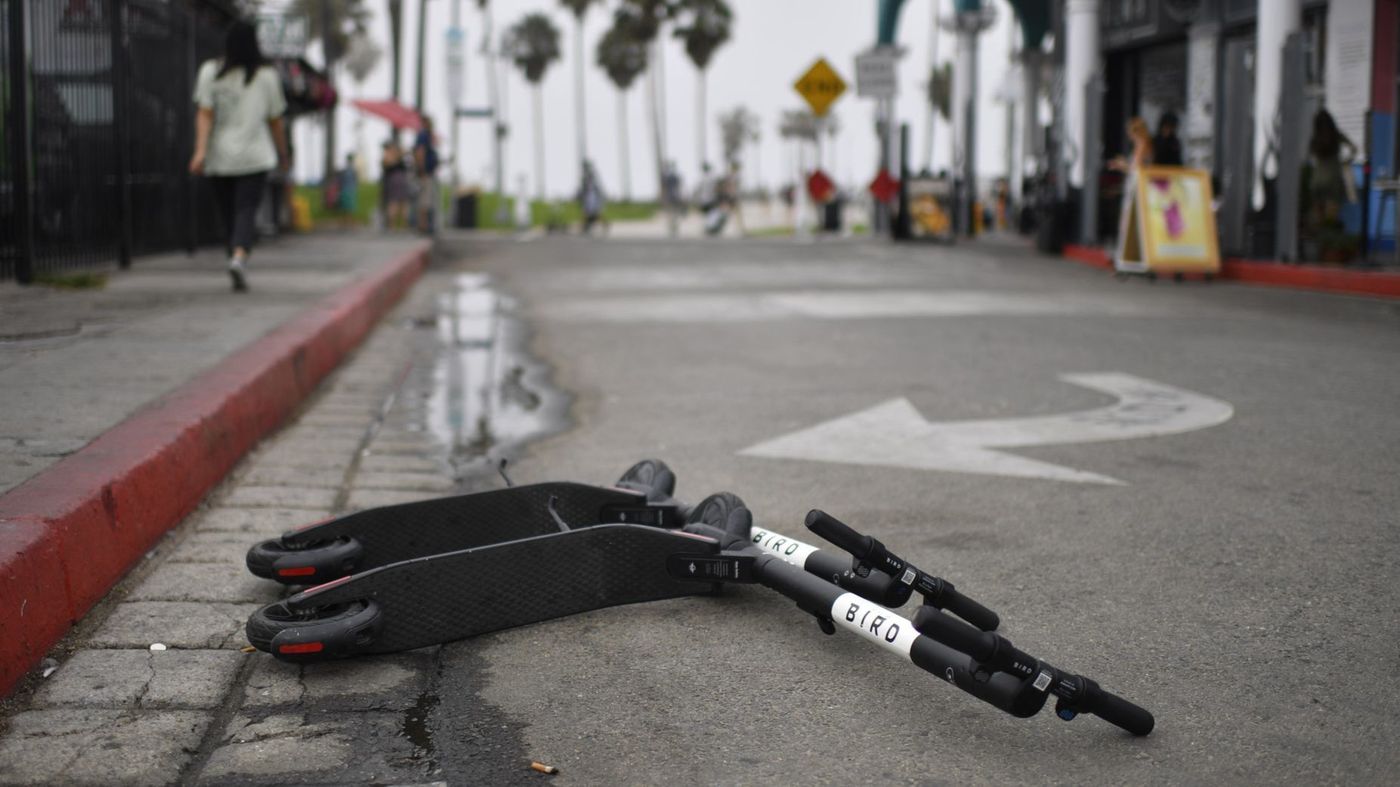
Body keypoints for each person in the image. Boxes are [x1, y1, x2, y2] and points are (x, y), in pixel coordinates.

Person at [189, 21, 288, 292]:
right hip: (254, 157)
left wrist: (199, 152)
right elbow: (276, 121)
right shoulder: (267, 76)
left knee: (229, 214)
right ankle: (239, 257)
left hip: (220, 157)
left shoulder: (210, 72)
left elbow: (204, 115)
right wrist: (283, 152)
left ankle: (235, 256)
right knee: (246, 210)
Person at [1305, 108, 1358, 234]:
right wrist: (1346, 161)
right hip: (1333, 178)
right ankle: (1329, 242)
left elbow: (1309, 156)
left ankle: (1318, 243)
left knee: (1317, 213)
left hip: (1317, 179)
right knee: (1331, 216)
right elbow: (1354, 149)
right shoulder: (1336, 135)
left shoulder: (1315, 138)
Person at [413, 117, 440, 234]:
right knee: (425, 200)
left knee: (426, 200)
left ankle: (423, 225)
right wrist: (422, 170)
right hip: (425, 173)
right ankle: (423, 226)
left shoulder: (426, 135)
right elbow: (420, 152)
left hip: (428, 172)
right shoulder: (423, 135)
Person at [380, 138, 410, 230]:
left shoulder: (388, 155)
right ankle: (403, 225)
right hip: (401, 180)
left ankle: (392, 225)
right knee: (402, 203)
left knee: (394, 203)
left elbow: (385, 166)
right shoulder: (399, 154)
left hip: (393, 180)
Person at [577, 161, 607, 235]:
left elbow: (594, 188)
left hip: (592, 197)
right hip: (589, 197)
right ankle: (585, 227)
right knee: (588, 213)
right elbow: (583, 189)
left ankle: (603, 225)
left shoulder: (590, 176)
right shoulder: (587, 176)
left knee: (594, 213)